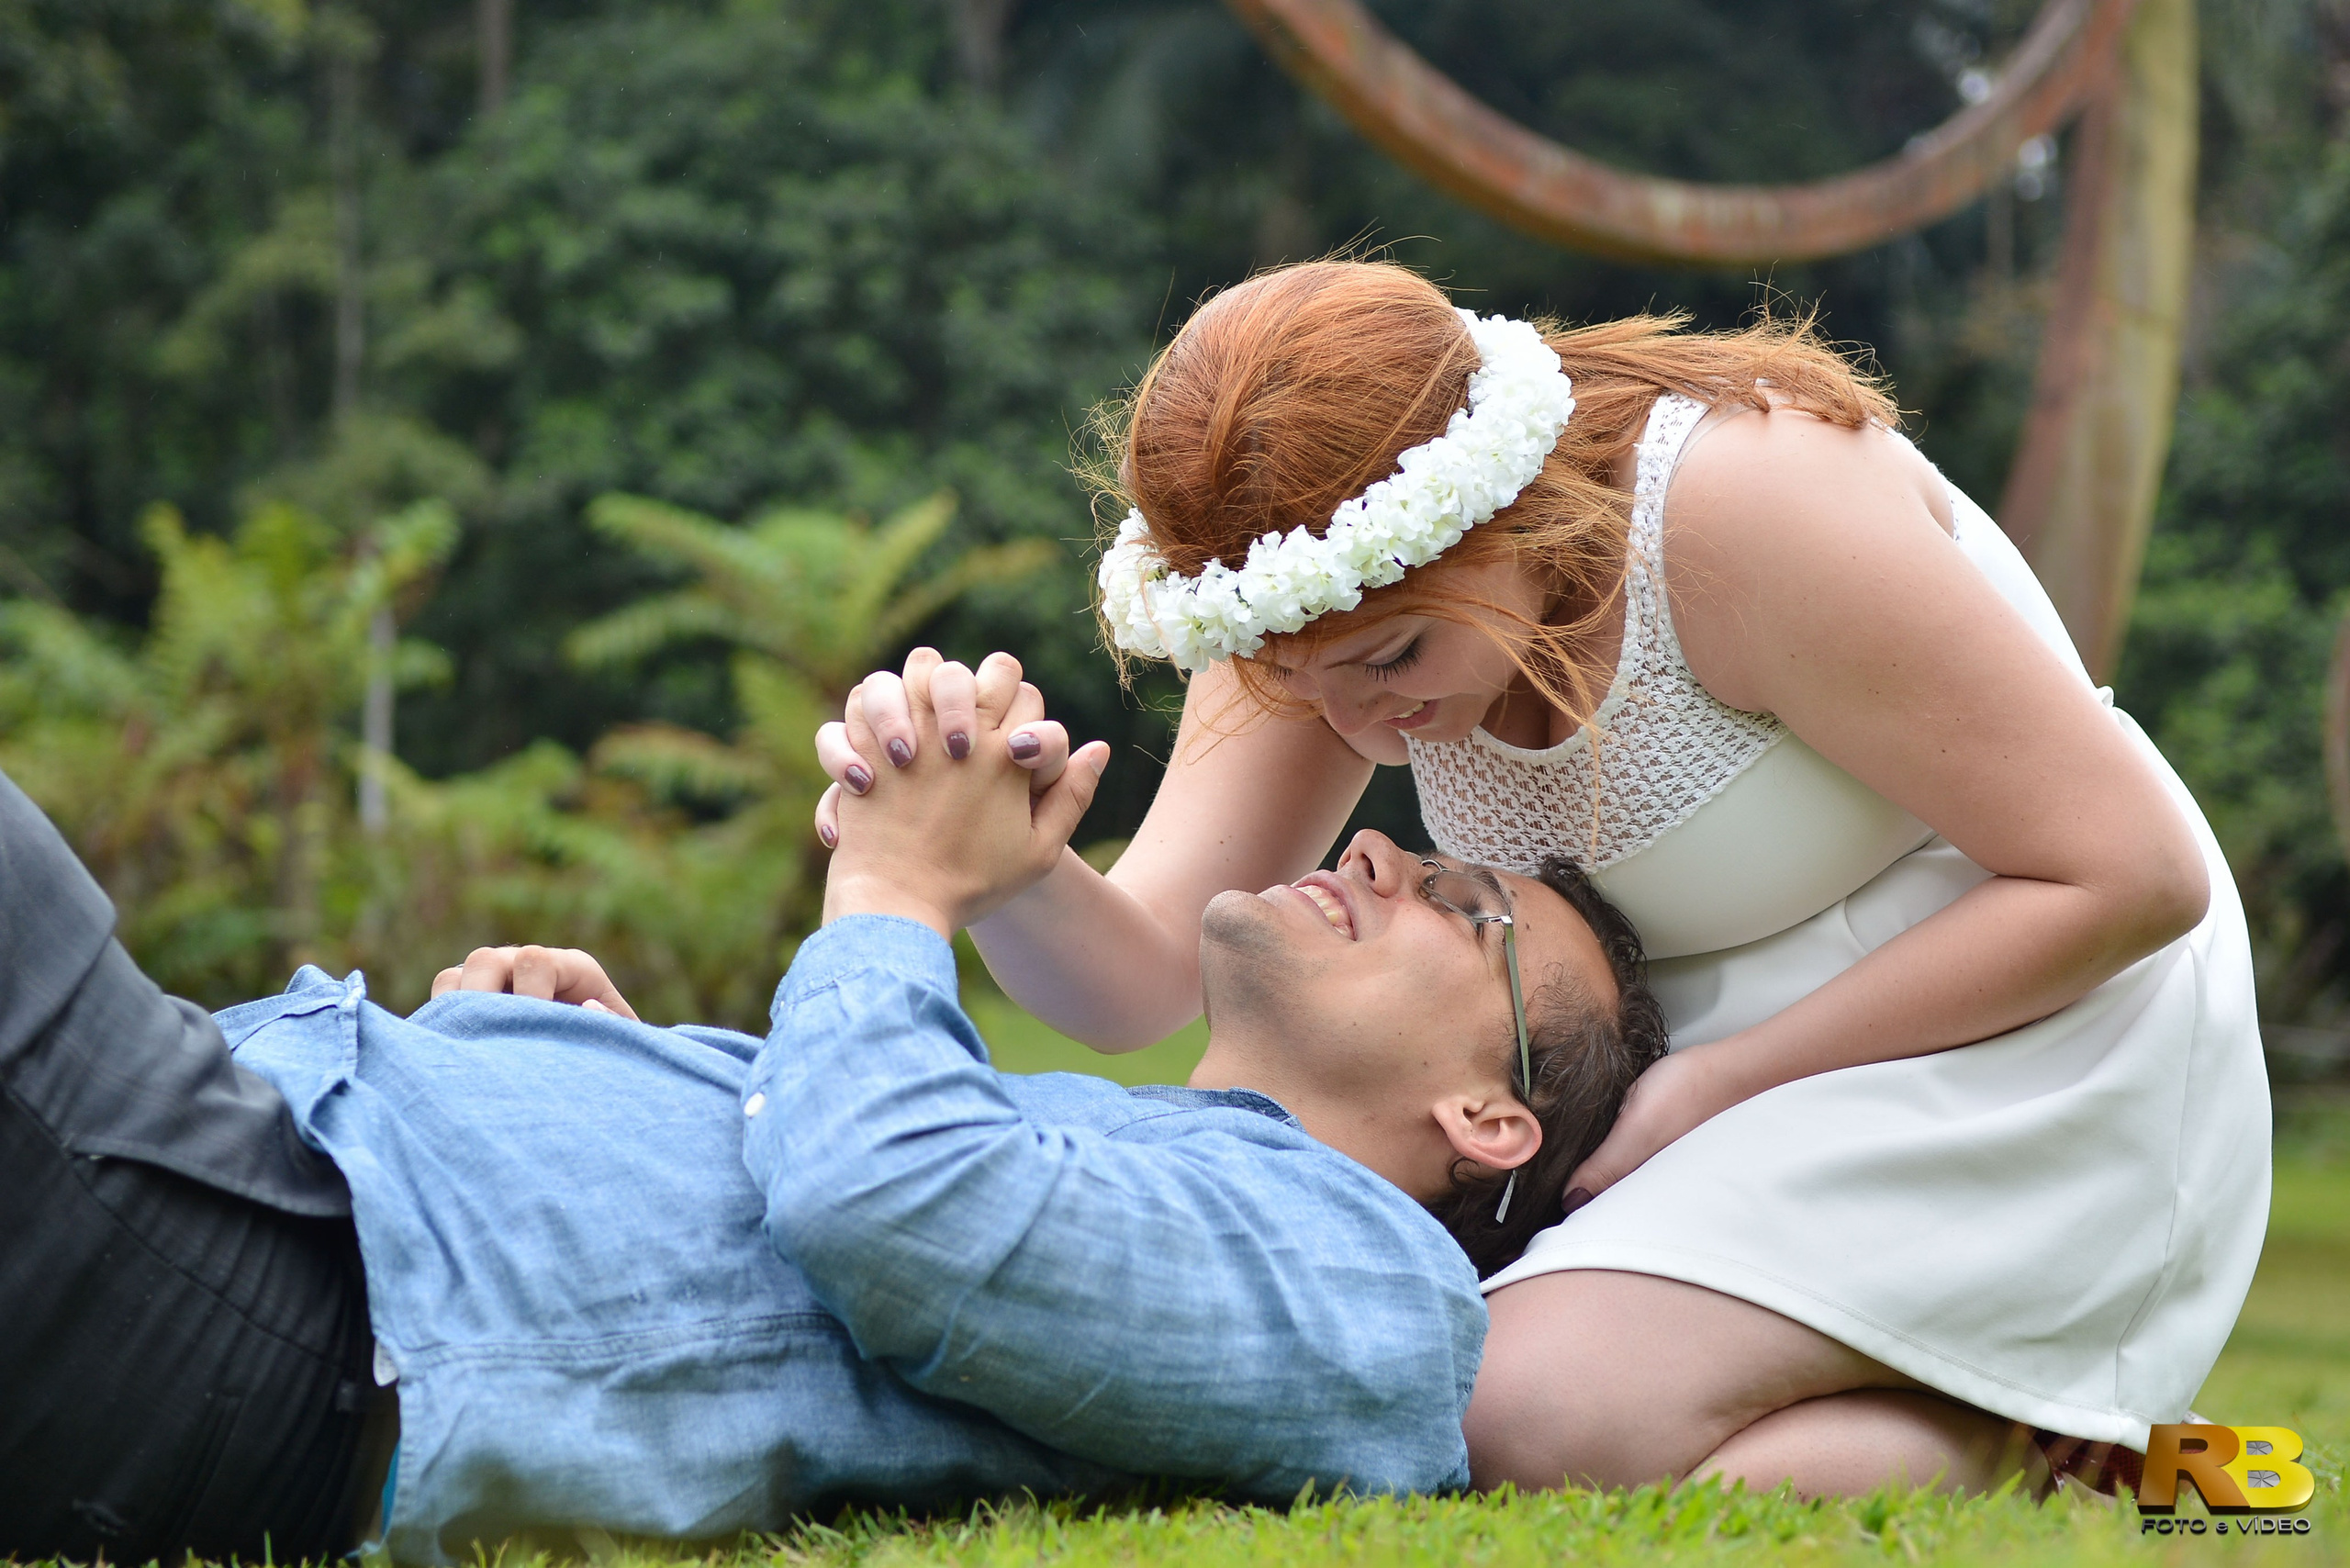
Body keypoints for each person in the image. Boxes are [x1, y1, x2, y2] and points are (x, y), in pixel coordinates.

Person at [816, 259, 2272, 1494]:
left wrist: (1715, 1087)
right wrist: (993, 864)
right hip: (1656, 1060)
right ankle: (2064, 1438)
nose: (1355, 732)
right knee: (1453, 1386)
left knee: (1525, 1417)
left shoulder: (1743, 510)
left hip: (2027, 1017)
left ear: (1507, 515)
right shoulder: (1317, 593)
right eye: (1298, 681)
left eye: (1393, 663)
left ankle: (2101, 1452)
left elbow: (2130, 878)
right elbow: (1134, 988)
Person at [3, 664, 1675, 1566]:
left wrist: (889, 884)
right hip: (244, 1193)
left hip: (270, 1298)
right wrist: (575, 1069)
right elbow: (851, 1220)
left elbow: (894, 1208)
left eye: (1470, 908)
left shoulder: (1377, 1297)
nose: (1380, 851)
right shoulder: (1157, 1167)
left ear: (1492, 1120)